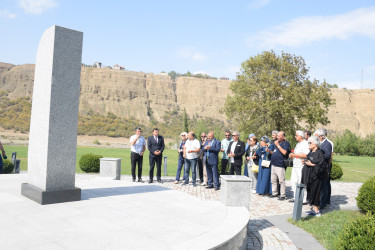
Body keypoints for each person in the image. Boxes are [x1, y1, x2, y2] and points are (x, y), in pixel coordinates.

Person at [303, 136, 326, 217]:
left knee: (315, 192)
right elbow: (309, 159)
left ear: (315, 144)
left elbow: (322, 166)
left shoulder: (320, 153)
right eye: (308, 142)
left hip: (316, 177)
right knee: (310, 191)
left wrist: (311, 164)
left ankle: (317, 211)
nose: (308, 144)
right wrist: (305, 161)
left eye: (310, 143)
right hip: (309, 176)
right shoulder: (311, 152)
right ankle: (313, 209)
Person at [268, 131, 291, 200]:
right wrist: (269, 151)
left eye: (279, 136)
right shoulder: (276, 143)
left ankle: (282, 195)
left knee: (281, 181)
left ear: (283, 136)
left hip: (280, 165)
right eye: (277, 135)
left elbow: (284, 152)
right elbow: (274, 152)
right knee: (273, 180)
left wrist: (278, 145)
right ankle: (274, 193)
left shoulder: (285, 143)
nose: (277, 137)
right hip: (273, 164)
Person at [288, 130, 309, 202]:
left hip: (301, 165)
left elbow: (306, 155)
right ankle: (296, 196)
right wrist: (292, 154)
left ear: (301, 136)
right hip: (295, 165)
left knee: (301, 181)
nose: (295, 137)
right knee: (293, 181)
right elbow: (296, 153)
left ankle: (303, 199)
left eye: (296, 135)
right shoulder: (298, 144)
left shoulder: (305, 144)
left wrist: (295, 155)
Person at [314, 129, 332, 209]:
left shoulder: (327, 144)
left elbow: (328, 155)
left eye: (317, 136)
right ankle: (318, 201)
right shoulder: (320, 144)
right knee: (319, 186)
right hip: (318, 166)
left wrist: (318, 156)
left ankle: (323, 203)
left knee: (324, 186)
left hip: (324, 167)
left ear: (321, 137)